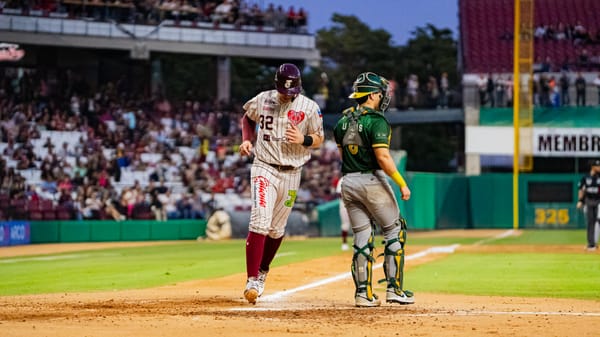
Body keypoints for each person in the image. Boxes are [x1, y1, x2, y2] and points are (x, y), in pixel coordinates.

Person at [238, 63, 324, 305]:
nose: (287, 95)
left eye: (291, 92)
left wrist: (303, 138)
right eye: (283, 91)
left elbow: (319, 138)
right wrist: (246, 140)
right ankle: (252, 279)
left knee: (276, 229)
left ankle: (263, 271)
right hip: (264, 166)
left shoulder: (309, 108)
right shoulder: (263, 99)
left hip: (292, 172)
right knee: (260, 220)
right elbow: (247, 118)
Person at [333, 72, 413, 307]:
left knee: (362, 236)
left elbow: (342, 156)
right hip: (371, 180)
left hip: (348, 182)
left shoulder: (342, 121)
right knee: (393, 231)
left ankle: (362, 294)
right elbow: (383, 157)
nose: (382, 97)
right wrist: (401, 182)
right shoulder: (377, 121)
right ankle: (394, 289)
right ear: (372, 95)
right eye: (380, 93)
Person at [577, 159, 600, 251]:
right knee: (590, 222)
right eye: (597, 166)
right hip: (589, 201)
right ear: (593, 167)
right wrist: (580, 201)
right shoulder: (585, 177)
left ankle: (594, 243)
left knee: (598, 221)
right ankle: (591, 244)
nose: (599, 167)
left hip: (599, 202)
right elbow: (581, 190)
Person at [335, 176, 350, 251]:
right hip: (344, 204)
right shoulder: (342, 179)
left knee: (359, 224)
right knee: (345, 224)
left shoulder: (357, 177)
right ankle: (344, 243)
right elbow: (339, 193)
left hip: (356, 204)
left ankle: (359, 243)